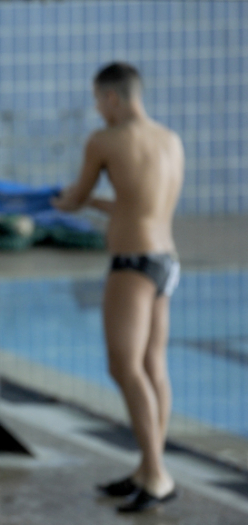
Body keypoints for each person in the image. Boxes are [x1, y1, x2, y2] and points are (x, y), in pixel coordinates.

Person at [52, 62, 183, 513]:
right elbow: (139, 204)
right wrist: (84, 199)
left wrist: (62, 199)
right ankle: (149, 470)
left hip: (131, 264)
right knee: (153, 365)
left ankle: (157, 472)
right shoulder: (169, 140)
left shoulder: (105, 141)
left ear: (112, 98)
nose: (96, 109)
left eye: (96, 99)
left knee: (123, 366)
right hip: (166, 259)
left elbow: (75, 197)